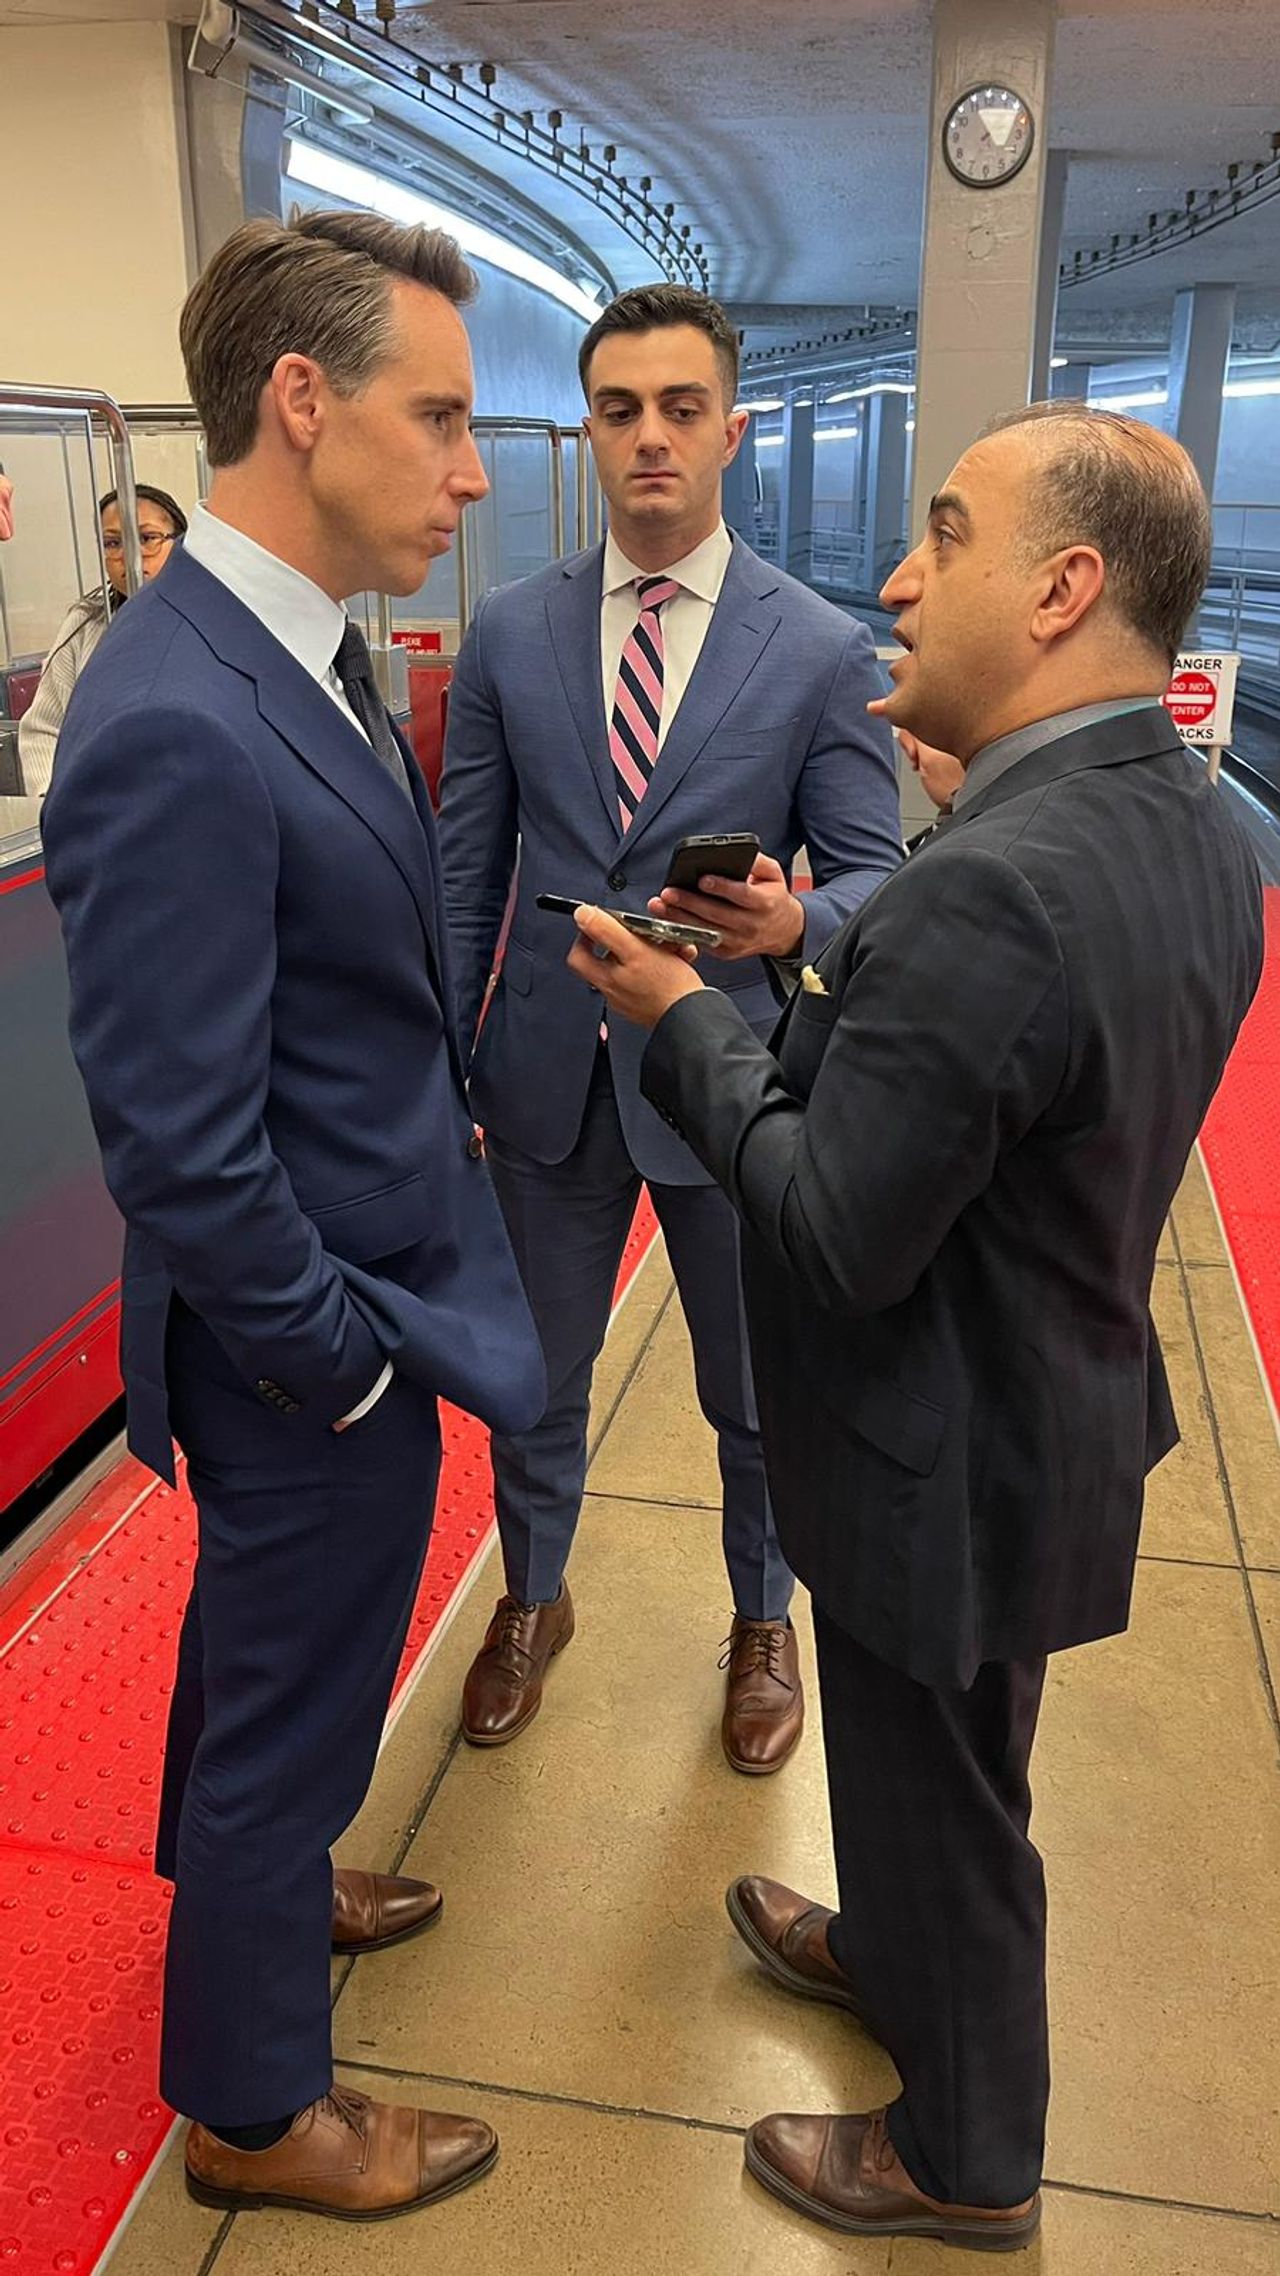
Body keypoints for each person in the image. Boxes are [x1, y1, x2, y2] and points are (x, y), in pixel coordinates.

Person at [565, 402, 1264, 2251]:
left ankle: (966, 2155)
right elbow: (1004, 1085)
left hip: (934, 1445)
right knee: (929, 1756)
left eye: (943, 534)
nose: (898, 574)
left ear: (1061, 587)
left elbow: (832, 1224)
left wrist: (679, 1018)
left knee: (949, 1795)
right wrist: (809, 936)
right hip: (1041, 1411)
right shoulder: (1172, 822)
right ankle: (890, 1949)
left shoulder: (998, 884)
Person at [41, 210, 546, 2225]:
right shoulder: (176, 708)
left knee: (292, 1662)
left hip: (345, 1288)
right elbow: (170, 1129)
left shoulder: (293, 651)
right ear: (303, 399)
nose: (475, 465)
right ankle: (254, 2101)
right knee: (286, 1679)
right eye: (440, 415)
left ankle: (262, 1890)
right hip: (300, 1328)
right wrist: (330, 1360)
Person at [438, 285, 902, 1771]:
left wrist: (797, 924)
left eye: (681, 408)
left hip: (728, 1074)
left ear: (732, 429)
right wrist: (445, 1057)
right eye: (623, 409)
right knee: (537, 1373)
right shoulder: (510, 632)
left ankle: (764, 1621)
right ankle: (534, 1594)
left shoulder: (820, 648)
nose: (650, 437)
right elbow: (467, 865)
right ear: (591, 426)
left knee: (754, 1391)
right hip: (546, 1076)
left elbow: (876, 878)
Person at [18, 485, 187, 795]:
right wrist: (52, 801)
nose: (129, 557)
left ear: (179, 542)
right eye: (113, 543)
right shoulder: (85, 623)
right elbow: (42, 728)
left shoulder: (205, 621)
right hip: (96, 813)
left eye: (147, 539)